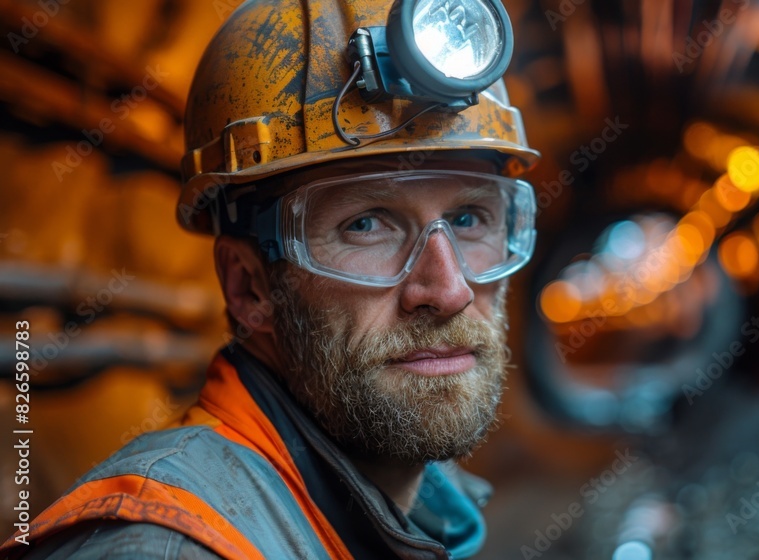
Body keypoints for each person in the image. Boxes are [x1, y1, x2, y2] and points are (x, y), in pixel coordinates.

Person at [1, 0, 539, 558]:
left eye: (470, 218)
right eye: (366, 225)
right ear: (249, 286)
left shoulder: (423, 513)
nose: (450, 291)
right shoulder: (167, 548)